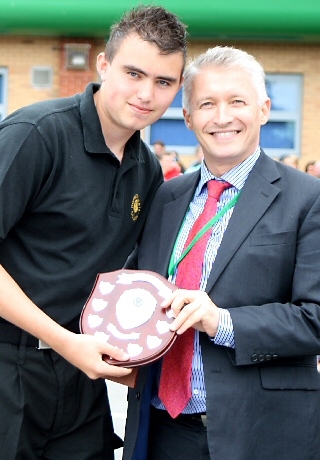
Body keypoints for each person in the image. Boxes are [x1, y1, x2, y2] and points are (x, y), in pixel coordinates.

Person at [0, 5, 187, 459]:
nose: (146, 94)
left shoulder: (148, 172)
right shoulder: (35, 134)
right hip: (9, 364)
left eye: (164, 82)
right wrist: (65, 343)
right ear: (104, 65)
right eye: (134, 73)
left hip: (84, 374)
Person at [123, 46, 320, 460]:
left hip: (261, 430)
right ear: (189, 117)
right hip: (162, 430)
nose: (223, 116)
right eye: (207, 104)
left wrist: (221, 321)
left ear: (264, 109)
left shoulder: (308, 199)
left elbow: (315, 318)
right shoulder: (165, 196)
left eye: (237, 102)